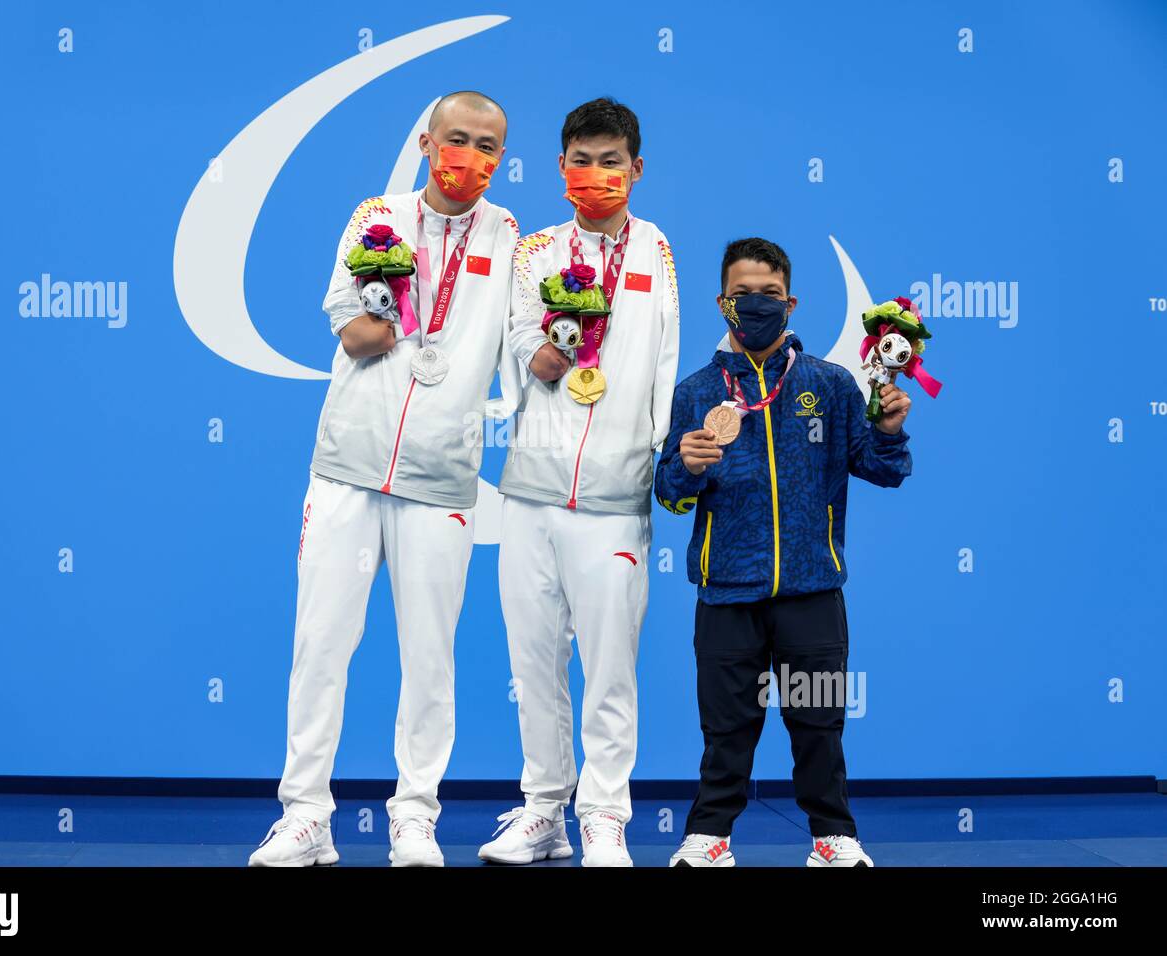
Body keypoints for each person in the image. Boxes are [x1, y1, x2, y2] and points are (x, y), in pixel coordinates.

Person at [249, 91, 521, 868]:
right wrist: (400, 301)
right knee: (321, 644)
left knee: (430, 655)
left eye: (489, 146)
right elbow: (353, 331)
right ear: (428, 140)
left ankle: (415, 816)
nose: (470, 156)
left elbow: (522, 348)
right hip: (348, 466)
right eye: (457, 139)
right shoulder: (378, 218)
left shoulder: (510, 240)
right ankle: (305, 816)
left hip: (441, 478)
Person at [654, 237, 913, 868]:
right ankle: (709, 838)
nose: (758, 304)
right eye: (744, 294)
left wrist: (888, 429)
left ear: (791, 302)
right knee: (726, 730)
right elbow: (668, 492)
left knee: (818, 723)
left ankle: (834, 837)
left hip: (811, 590)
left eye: (770, 294)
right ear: (722, 304)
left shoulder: (830, 384)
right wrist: (686, 467)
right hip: (726, 589)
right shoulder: (695, 392)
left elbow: (881, 469)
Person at [478, 98, 680, 868]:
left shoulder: (656, 250)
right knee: (533, 664)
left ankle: (604, 817)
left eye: (610, 161)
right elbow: (520, 345)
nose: (595, 175)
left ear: (635, 168)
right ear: (561, 167)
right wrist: (556, 342)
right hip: (530, 491)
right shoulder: (533, 252)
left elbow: (664, 361)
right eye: (580, 160)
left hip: (613, 498)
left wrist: (656, 462)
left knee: (608, 668)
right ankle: (542, 813)